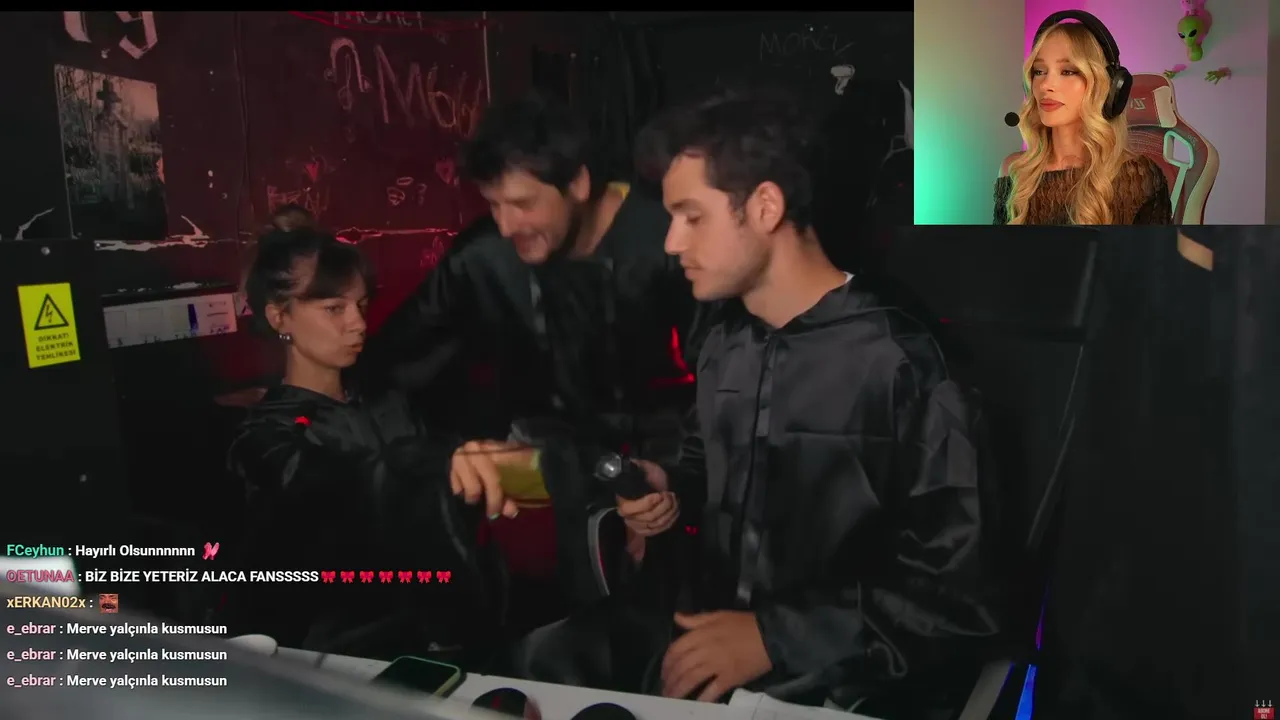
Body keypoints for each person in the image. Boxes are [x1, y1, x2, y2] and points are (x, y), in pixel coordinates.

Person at [500, 86, 1005, 716]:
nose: (670, 243)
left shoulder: (904, 361)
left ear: (765, 207)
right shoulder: (724, 340)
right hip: (705, 630)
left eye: (692, 217)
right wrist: (666, 483)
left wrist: (772, 637)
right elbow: (710, 459)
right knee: (530, 670)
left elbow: (961, 597)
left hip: (839, 672)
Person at [358, 91, 703, 619]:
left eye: (522, 204)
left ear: (578, 184)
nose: (505, 225)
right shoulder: (482, 258)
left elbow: (723, 381)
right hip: (549, 483)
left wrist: (669, 485)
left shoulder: (669, 241)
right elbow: (396, 360)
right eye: (494, 205)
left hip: (670, 478)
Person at [223, 227, 525, 660]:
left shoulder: (387, 399)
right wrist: (433, 467)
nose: (358, 324)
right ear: (279, 317)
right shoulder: (268, 436)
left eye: (361, 305)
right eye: (334, 308)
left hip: (447, 631)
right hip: (344, 653)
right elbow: (328, 483)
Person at [994, 13, 1172, 225]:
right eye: (1039, 71)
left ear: (1106, 87)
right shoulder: (1014, 170)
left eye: (1068, 71)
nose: (1045, 85)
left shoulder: (1139, 177)